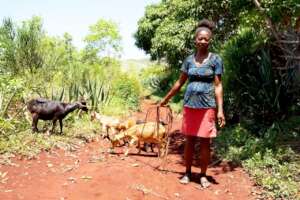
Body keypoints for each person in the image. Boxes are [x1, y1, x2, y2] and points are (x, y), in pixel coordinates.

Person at [158, 19, 225, 188]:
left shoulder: (215, 60)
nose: (203, 41)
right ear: (195, 40)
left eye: (206, 38)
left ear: (210, 40)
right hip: (189, 105)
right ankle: (187, 173)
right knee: (189, 141)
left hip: (207, 106)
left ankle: (203, 175)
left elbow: (218, 86)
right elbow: (179, 83)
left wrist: (220, 110)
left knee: (205, 142)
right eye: (200, 38)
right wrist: (166, 99)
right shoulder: (188, 60)